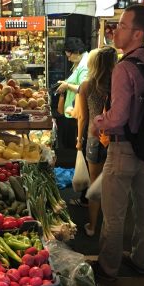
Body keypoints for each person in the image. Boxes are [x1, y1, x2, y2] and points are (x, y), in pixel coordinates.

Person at [91, 4, 144, 281]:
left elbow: (118, 116)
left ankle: (109, 268)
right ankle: (142, 260)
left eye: (121, 26)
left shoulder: (124, 68)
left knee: (114, 212)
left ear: (137, 34)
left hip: (122, 149)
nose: (115, 30)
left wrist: (99, 122)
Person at [70, 47, 118, 237]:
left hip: (94, 139)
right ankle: (111, 227)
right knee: (112, 185)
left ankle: (92, 226)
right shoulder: (117, 85)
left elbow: (82, 117)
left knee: (95, 184)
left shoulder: (87, 85)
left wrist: (79, 140)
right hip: (115, 140)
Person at [56, 37, 89, 206]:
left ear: (76, 52)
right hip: (76, 113)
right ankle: (85, 193)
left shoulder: (85, 65)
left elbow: (83, 88)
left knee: (80, 148)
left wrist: (67, 86)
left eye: (69, 55)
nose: (68, 58)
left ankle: (85, 195)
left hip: (80, 114)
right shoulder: (80, 62)